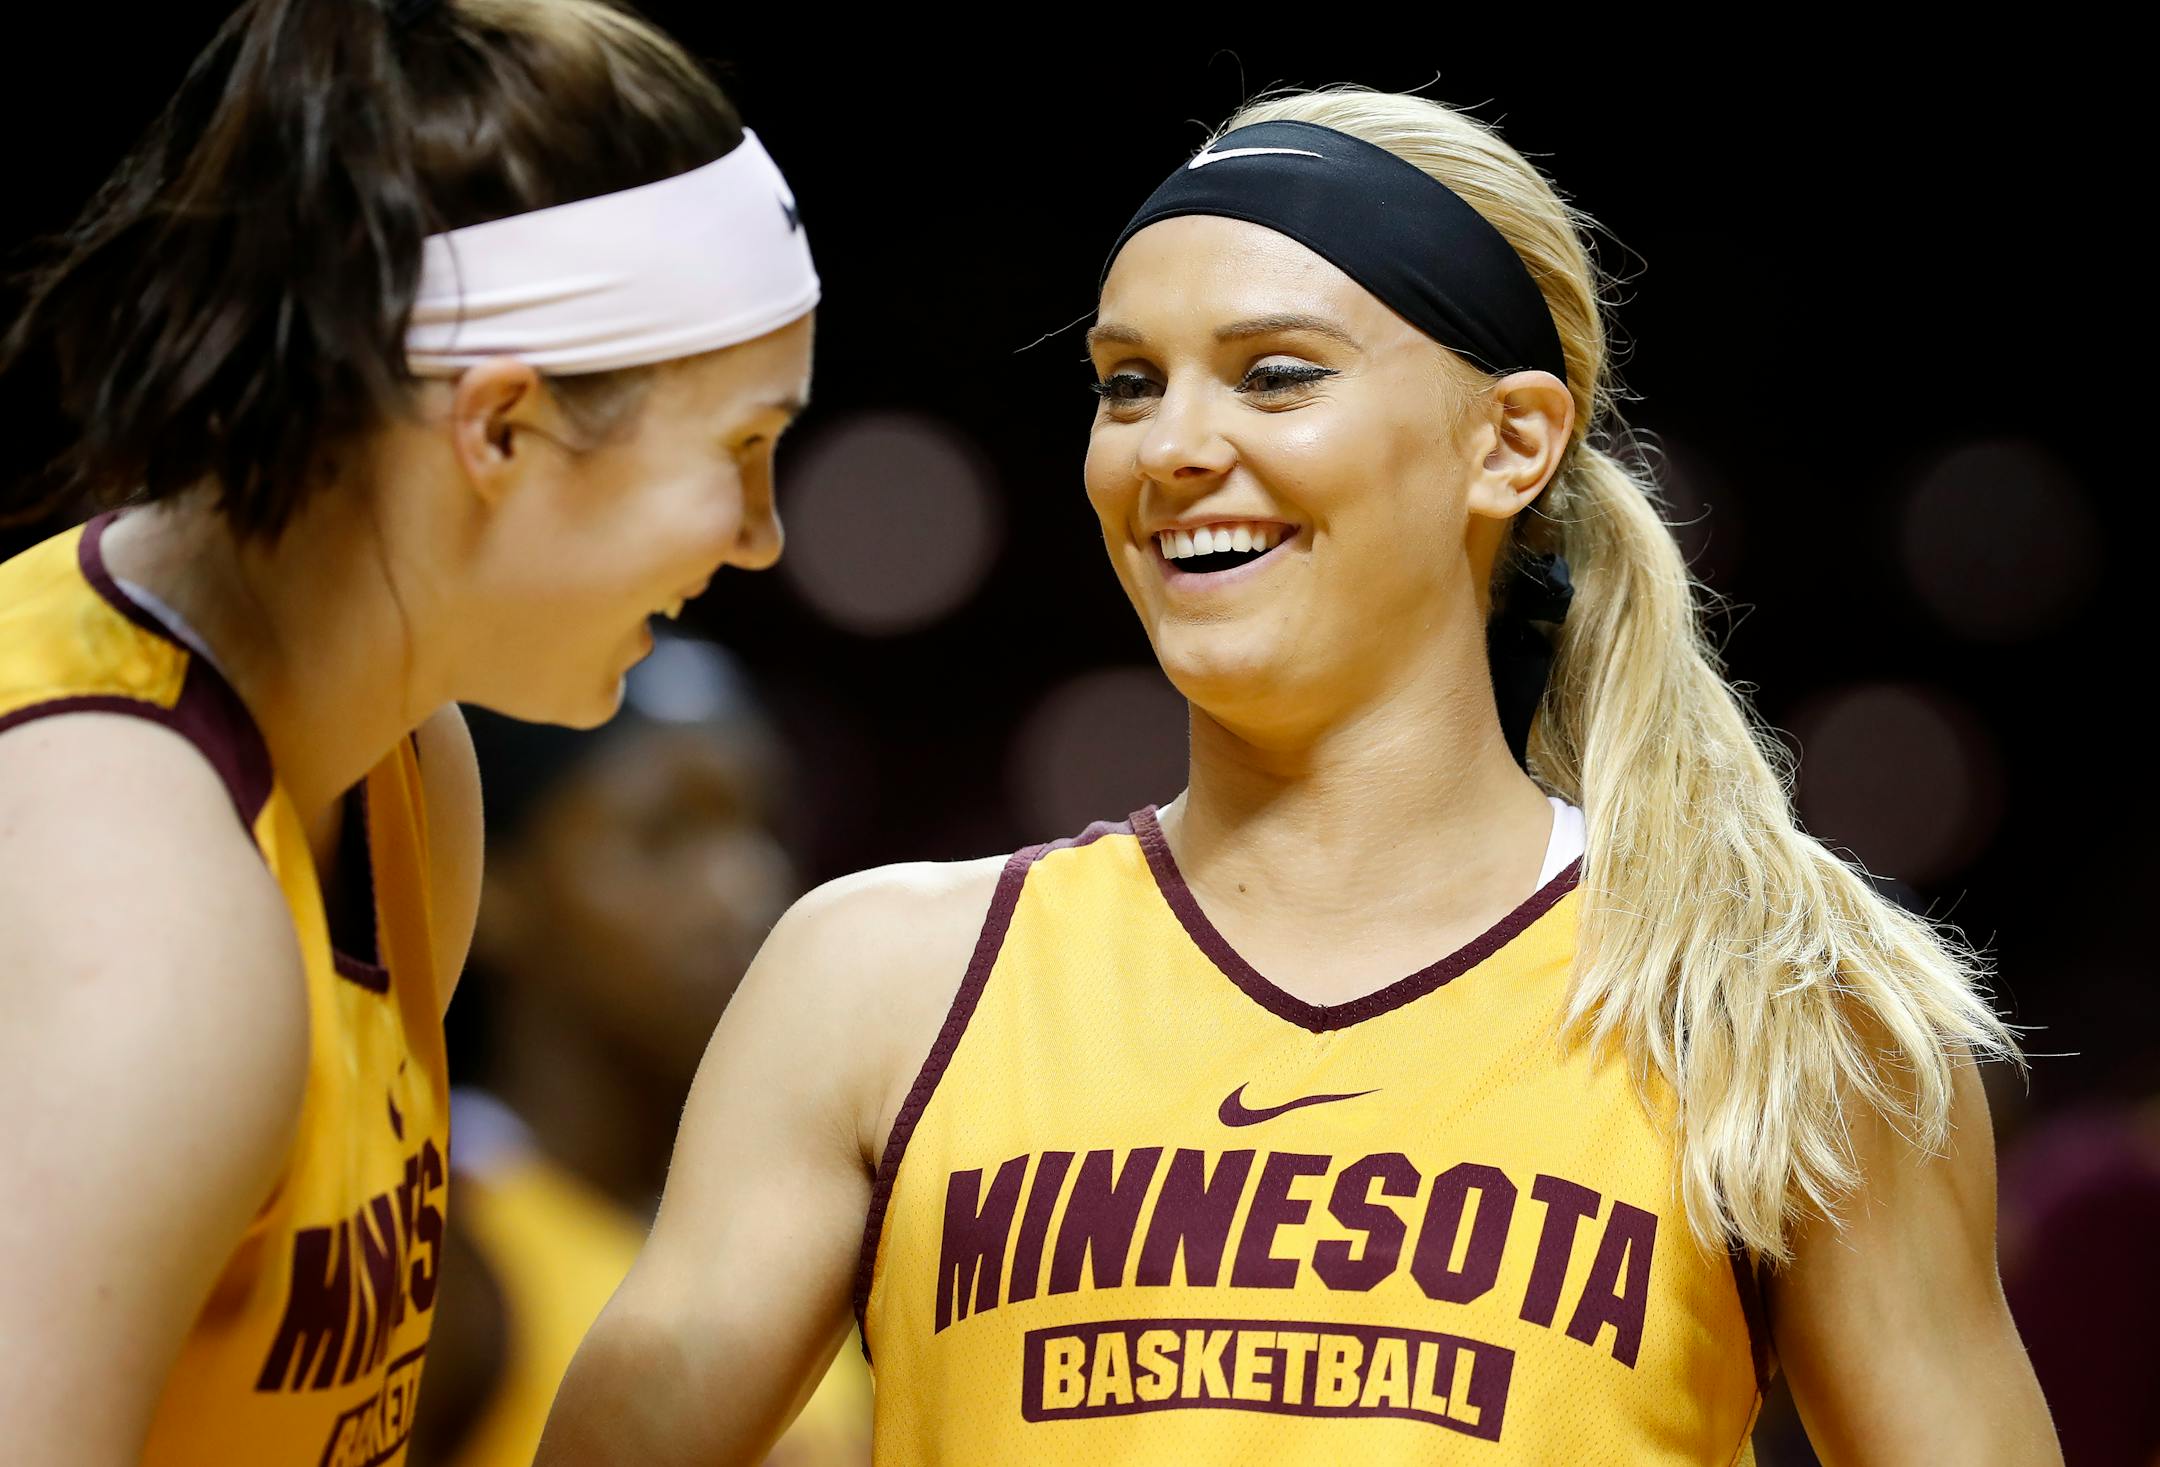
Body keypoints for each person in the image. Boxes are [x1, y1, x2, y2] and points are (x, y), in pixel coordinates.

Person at [540, 86, 2060, 1465]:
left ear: (1510, 441)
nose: (1172, 445)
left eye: (1274, 376)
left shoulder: (1778, 1007)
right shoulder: (879, 977)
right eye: (1127, 383)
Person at [0, 1, 816, 1462]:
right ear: (498, 428)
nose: (760, 537)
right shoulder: (135, 909)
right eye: (741, 450)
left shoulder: (405, 766)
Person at [408, 631, 869, 1467]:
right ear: (494, 885)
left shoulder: (830, 1241)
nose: (744, 887)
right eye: (663, 837)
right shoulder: (442, 1261)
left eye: (760, 828)